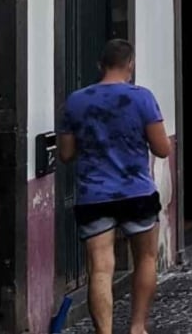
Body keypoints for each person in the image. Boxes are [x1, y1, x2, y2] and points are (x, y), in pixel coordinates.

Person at [57, 38, 169, 334]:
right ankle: (136, 327)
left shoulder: (76, 100)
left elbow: (66, 154)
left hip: (94, 195)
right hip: (137, 192)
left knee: (100, 268)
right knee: (145, 258)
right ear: (130, 64)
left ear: (100, 65)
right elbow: (162, 149)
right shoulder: (142, 98)